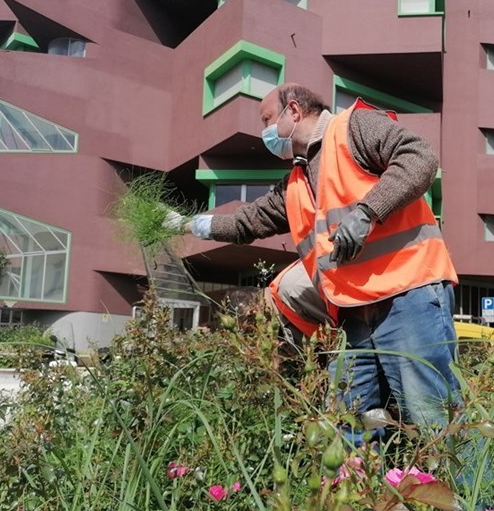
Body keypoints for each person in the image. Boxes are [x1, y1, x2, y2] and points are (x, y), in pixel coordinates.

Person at [165, 83, 471, 457]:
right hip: (353, 314)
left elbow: (419, 155)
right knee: (354, 423)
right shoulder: (295, 182)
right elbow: (247, 221)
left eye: (266, 119)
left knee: (434, 419)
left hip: (408, 295)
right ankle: (364, 508)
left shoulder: (355, 128)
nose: (264, 132)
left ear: (293, 111)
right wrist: (185, 224)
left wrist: (368, 211)